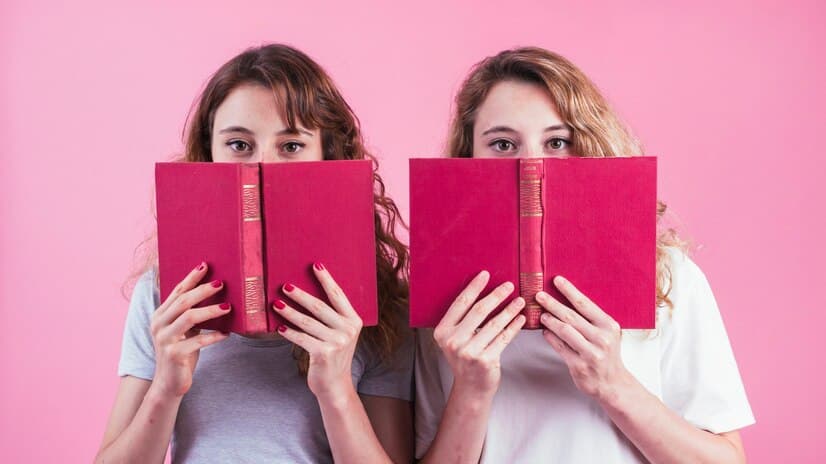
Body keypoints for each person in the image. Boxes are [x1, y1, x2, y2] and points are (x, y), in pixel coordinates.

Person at [414, 47, 755, 463]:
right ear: (468, 158)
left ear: (588, 147)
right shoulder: (440, 300)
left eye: (557, 141)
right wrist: (470, 389)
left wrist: (612, 383)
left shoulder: (670, 277)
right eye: (502, 143)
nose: (532, 164)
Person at [96, 44, 413, 463]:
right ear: (208, 155)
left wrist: (336, 388)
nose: (264, 167)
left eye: (292, 146)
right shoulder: (165, 297)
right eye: (240, 145)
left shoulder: (377, 306)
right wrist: (167, 387)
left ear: (327, 155)